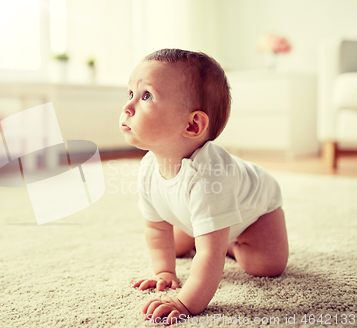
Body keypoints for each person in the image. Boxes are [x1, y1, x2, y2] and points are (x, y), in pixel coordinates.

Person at [119, 49, 289, 325]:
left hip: (257, 212)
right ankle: (213, 233)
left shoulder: (210, 178)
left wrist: (184, 301)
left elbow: (209, 257)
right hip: (196, 214)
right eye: (130, 95)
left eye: (146, 96)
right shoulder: (149, 166)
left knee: (264, 266)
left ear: (193, 124)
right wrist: (164, 272)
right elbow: (156, 226)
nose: (127, 107)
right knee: (172, 247)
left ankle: (230, 243)